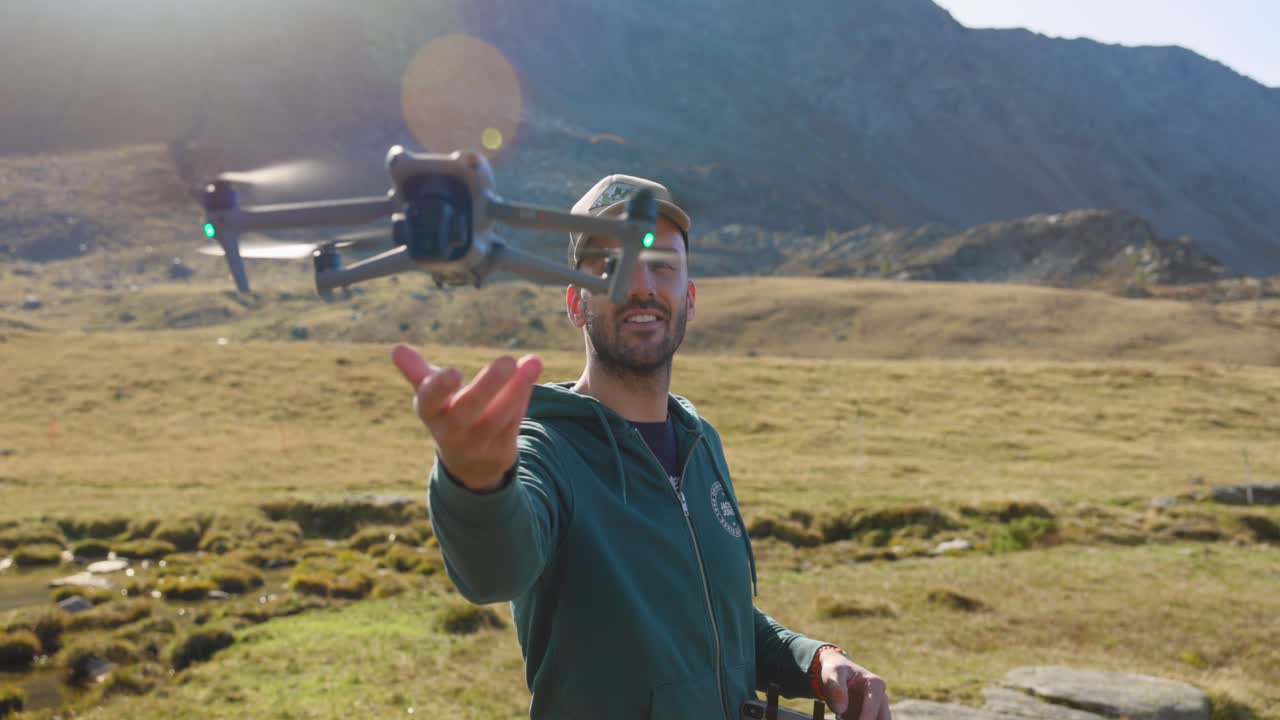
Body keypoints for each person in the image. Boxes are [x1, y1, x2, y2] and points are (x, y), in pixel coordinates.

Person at [391, 174, 891, 720]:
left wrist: (813, 659)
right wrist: (476, 483)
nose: (639, 284)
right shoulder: (545, 449)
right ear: (576, 304)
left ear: (689, 299)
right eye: (609, 266)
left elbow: (716, 618)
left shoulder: (699, 441)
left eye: (662, 265)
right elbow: (493, 574)